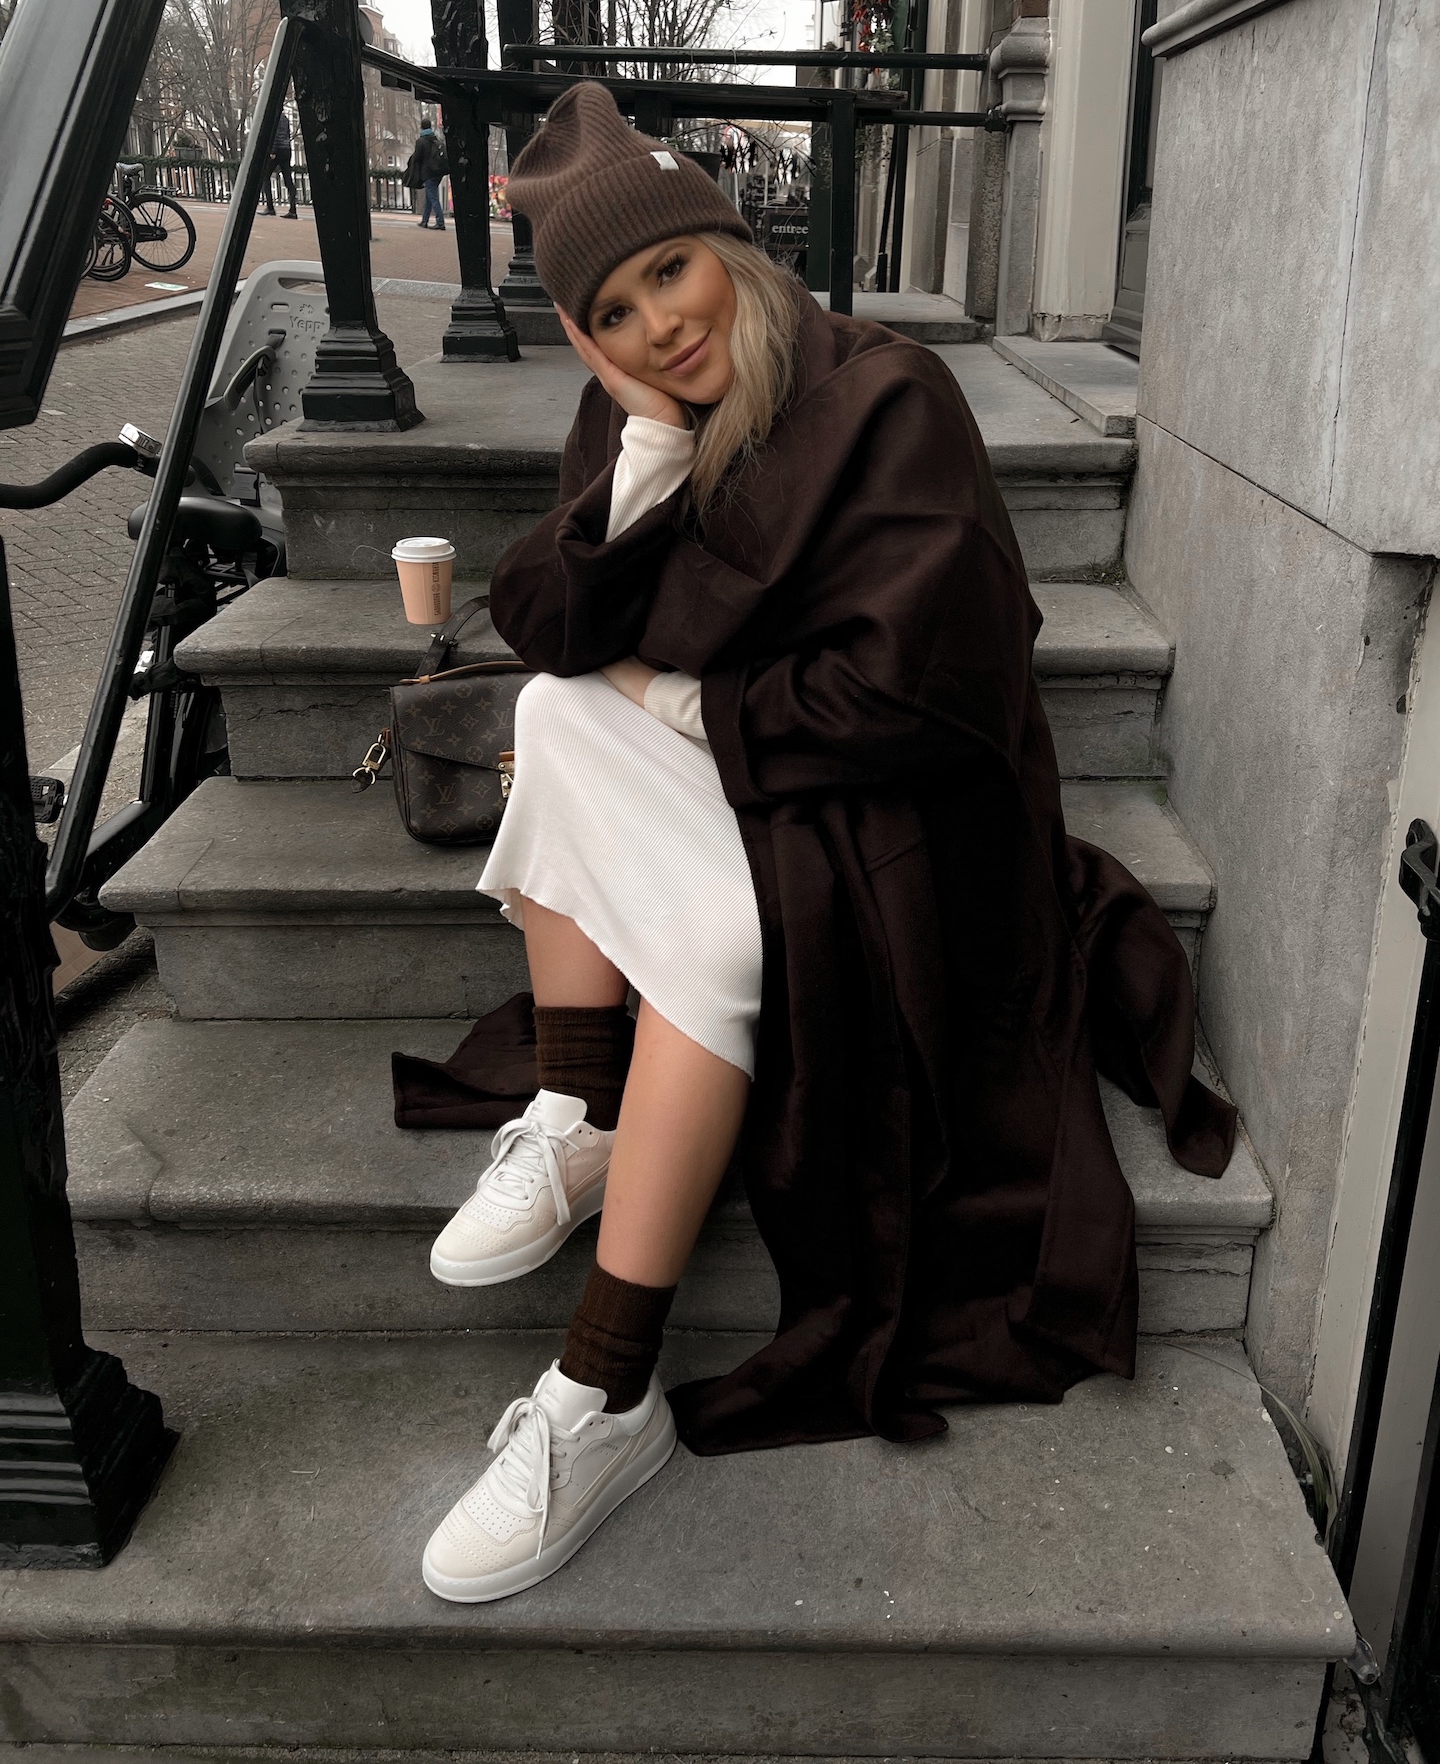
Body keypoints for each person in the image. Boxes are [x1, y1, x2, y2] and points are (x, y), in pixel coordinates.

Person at [419, 81, 1237, 1606]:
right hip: (766, 773)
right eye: (614, 309)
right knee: (549, 708)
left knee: (715, 946)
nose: (661, 322)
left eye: (672, 268)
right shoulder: (637, 410)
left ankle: (603, 1390)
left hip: (915, 825)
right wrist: (642, 469)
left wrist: (672, 697)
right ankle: (580, 1111)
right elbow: (542, 619)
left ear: (729, 241)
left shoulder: (887, 395)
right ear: (589, 340)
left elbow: (924, 698)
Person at [406, 117, 447, 230]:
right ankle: (425, 220)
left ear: (421, 127)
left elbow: (417, 158)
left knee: (433, 198)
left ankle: (440, 222)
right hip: (437, 173)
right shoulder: (436, 140)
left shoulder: (421, 141)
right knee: (430, 197)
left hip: (428, 173)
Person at [260, 109, 296, 219]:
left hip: (278, 149)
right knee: (288, 179)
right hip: (287, 149)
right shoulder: (285, 118)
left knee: (265, 177)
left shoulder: (274, 118)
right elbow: (287, 134)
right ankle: (293, 210)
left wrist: (272, 151)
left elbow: (273, 134)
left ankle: (270, 208)